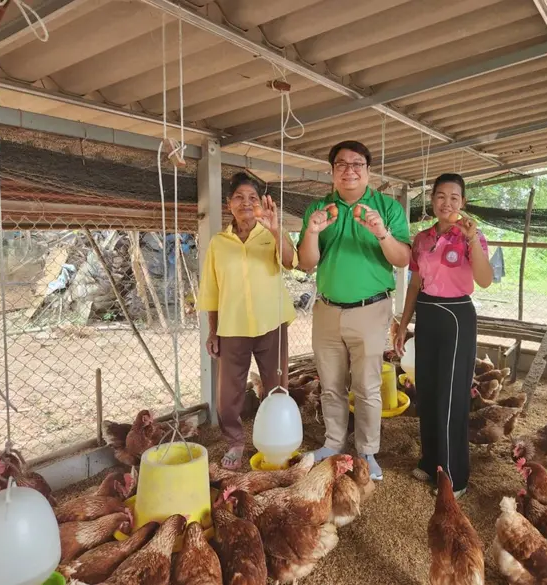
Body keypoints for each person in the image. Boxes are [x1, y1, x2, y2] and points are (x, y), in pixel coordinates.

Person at [297, 140, 411, 481]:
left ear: (368, 171)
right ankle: (334, 442)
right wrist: (313, 232)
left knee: (367, 385)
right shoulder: (319, 209)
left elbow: (402, 259)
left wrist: (382, 233)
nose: (350, 170)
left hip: (370, 308)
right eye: (342, 164)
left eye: (357, 164)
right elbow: (306, 263)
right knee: (330, 383)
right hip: (327, 308)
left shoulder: (387, 208)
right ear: (332, 171)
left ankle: (367, 450)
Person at [394, 173, 493, 498]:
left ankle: (454, 475)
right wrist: (404, 324)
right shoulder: (422, 239)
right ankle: (431, 460)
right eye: (440, 196)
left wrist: (473, 239)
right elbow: (414, 284)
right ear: (432, 199)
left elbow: (484, 280)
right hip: (427, 313)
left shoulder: (471, 236)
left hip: (456, 317)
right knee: (428, 390)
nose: (446, 203)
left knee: (451, 396)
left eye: (454, 197)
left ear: (463, 202)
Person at [198, 172, 297, 470]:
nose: (246, 203)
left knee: (277, 386)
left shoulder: (271, 233)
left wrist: (276, 231)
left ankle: (279, 438)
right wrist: (213, 331)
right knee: (228, 393)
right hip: (232, 326)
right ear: (229, 204)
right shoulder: (219, 243)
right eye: (239, 197)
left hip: (271, 323)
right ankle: (235, 440)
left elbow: (291, 262)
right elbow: (212, 291)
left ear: (261, 205)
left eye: (253, 198)